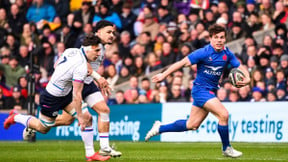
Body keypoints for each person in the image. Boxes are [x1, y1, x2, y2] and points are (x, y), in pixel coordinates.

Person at [145, 24, 251, 158]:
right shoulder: (203, 52)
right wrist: (163, 75)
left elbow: (239, 65)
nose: (219, 40)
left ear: (225, 39)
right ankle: (226, 148)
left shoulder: (227, 53)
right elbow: (181, 63)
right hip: (200, 90)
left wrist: (247, 78)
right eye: (216, 37)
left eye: (222, 38)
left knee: (192, 124)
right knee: (223, 115)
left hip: (210, 91)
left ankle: (160, 128)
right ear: (211, 39)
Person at [4, 34, 110, 161]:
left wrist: (62, 77)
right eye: (96, 50)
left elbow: (56, 66)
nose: (99, 54)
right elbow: (77, 95)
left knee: (87, 118)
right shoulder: (81, 67)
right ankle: (15, 117)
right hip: (51, 97)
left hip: (65, 95)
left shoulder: (71, 50)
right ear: (87, 49)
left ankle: (90, 154)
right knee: (43, 128)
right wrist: (80, 117)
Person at [53, 20, 122, 157]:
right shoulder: (88, 43)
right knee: (68, 120)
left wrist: (96, 78)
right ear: (98, 32)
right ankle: (37, 124)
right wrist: (99, 77)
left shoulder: (103, 46)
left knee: (104, 110)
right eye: (108, 32)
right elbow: (82, 63)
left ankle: (104, 147)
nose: (112, 35)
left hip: (88, 84)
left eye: (113, 32)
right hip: (75, 84)